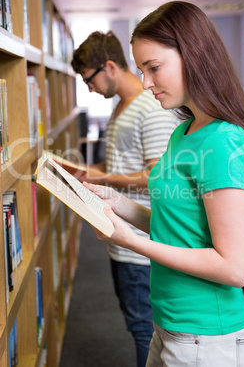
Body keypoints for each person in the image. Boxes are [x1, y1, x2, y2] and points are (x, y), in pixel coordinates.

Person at [83, 1, 244, 367]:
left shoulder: (224, 142)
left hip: (210, 337)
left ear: (195, 56)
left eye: (154, 68)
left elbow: (233, 268)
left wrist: (132, 242)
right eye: (141, 70)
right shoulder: (183, 131)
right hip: (171, 325)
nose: (146, 83)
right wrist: (116, 202)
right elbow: (177, 226)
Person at [65, 30, 179, 367]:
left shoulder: (150, 109)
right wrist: (80, 170)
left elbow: (154, 179)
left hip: (141, 244)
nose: (89, 89)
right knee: (138, 326)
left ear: (110, 67)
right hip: (122, 238)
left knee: (145, 329)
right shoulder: (122, 109)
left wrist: (100, 178)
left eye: (89, 80)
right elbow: (117, 165)